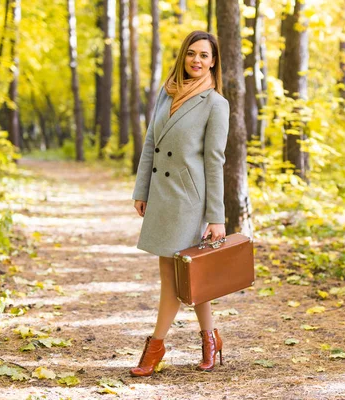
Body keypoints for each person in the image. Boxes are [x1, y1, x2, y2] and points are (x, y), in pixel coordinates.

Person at [130, 30, 229, 377]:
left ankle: (155, 347)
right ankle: (210, 339)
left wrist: (216, 216)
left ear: (213, 61)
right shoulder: (166, 92)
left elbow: (215, 161)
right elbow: (150, 144)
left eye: (204, 55)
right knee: (189, 275)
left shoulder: (216, 104)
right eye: (191, 53)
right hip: (161, 195)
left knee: (173, 278)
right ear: (183, 57)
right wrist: (142, 190)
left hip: (190, 199)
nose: (197, 60)